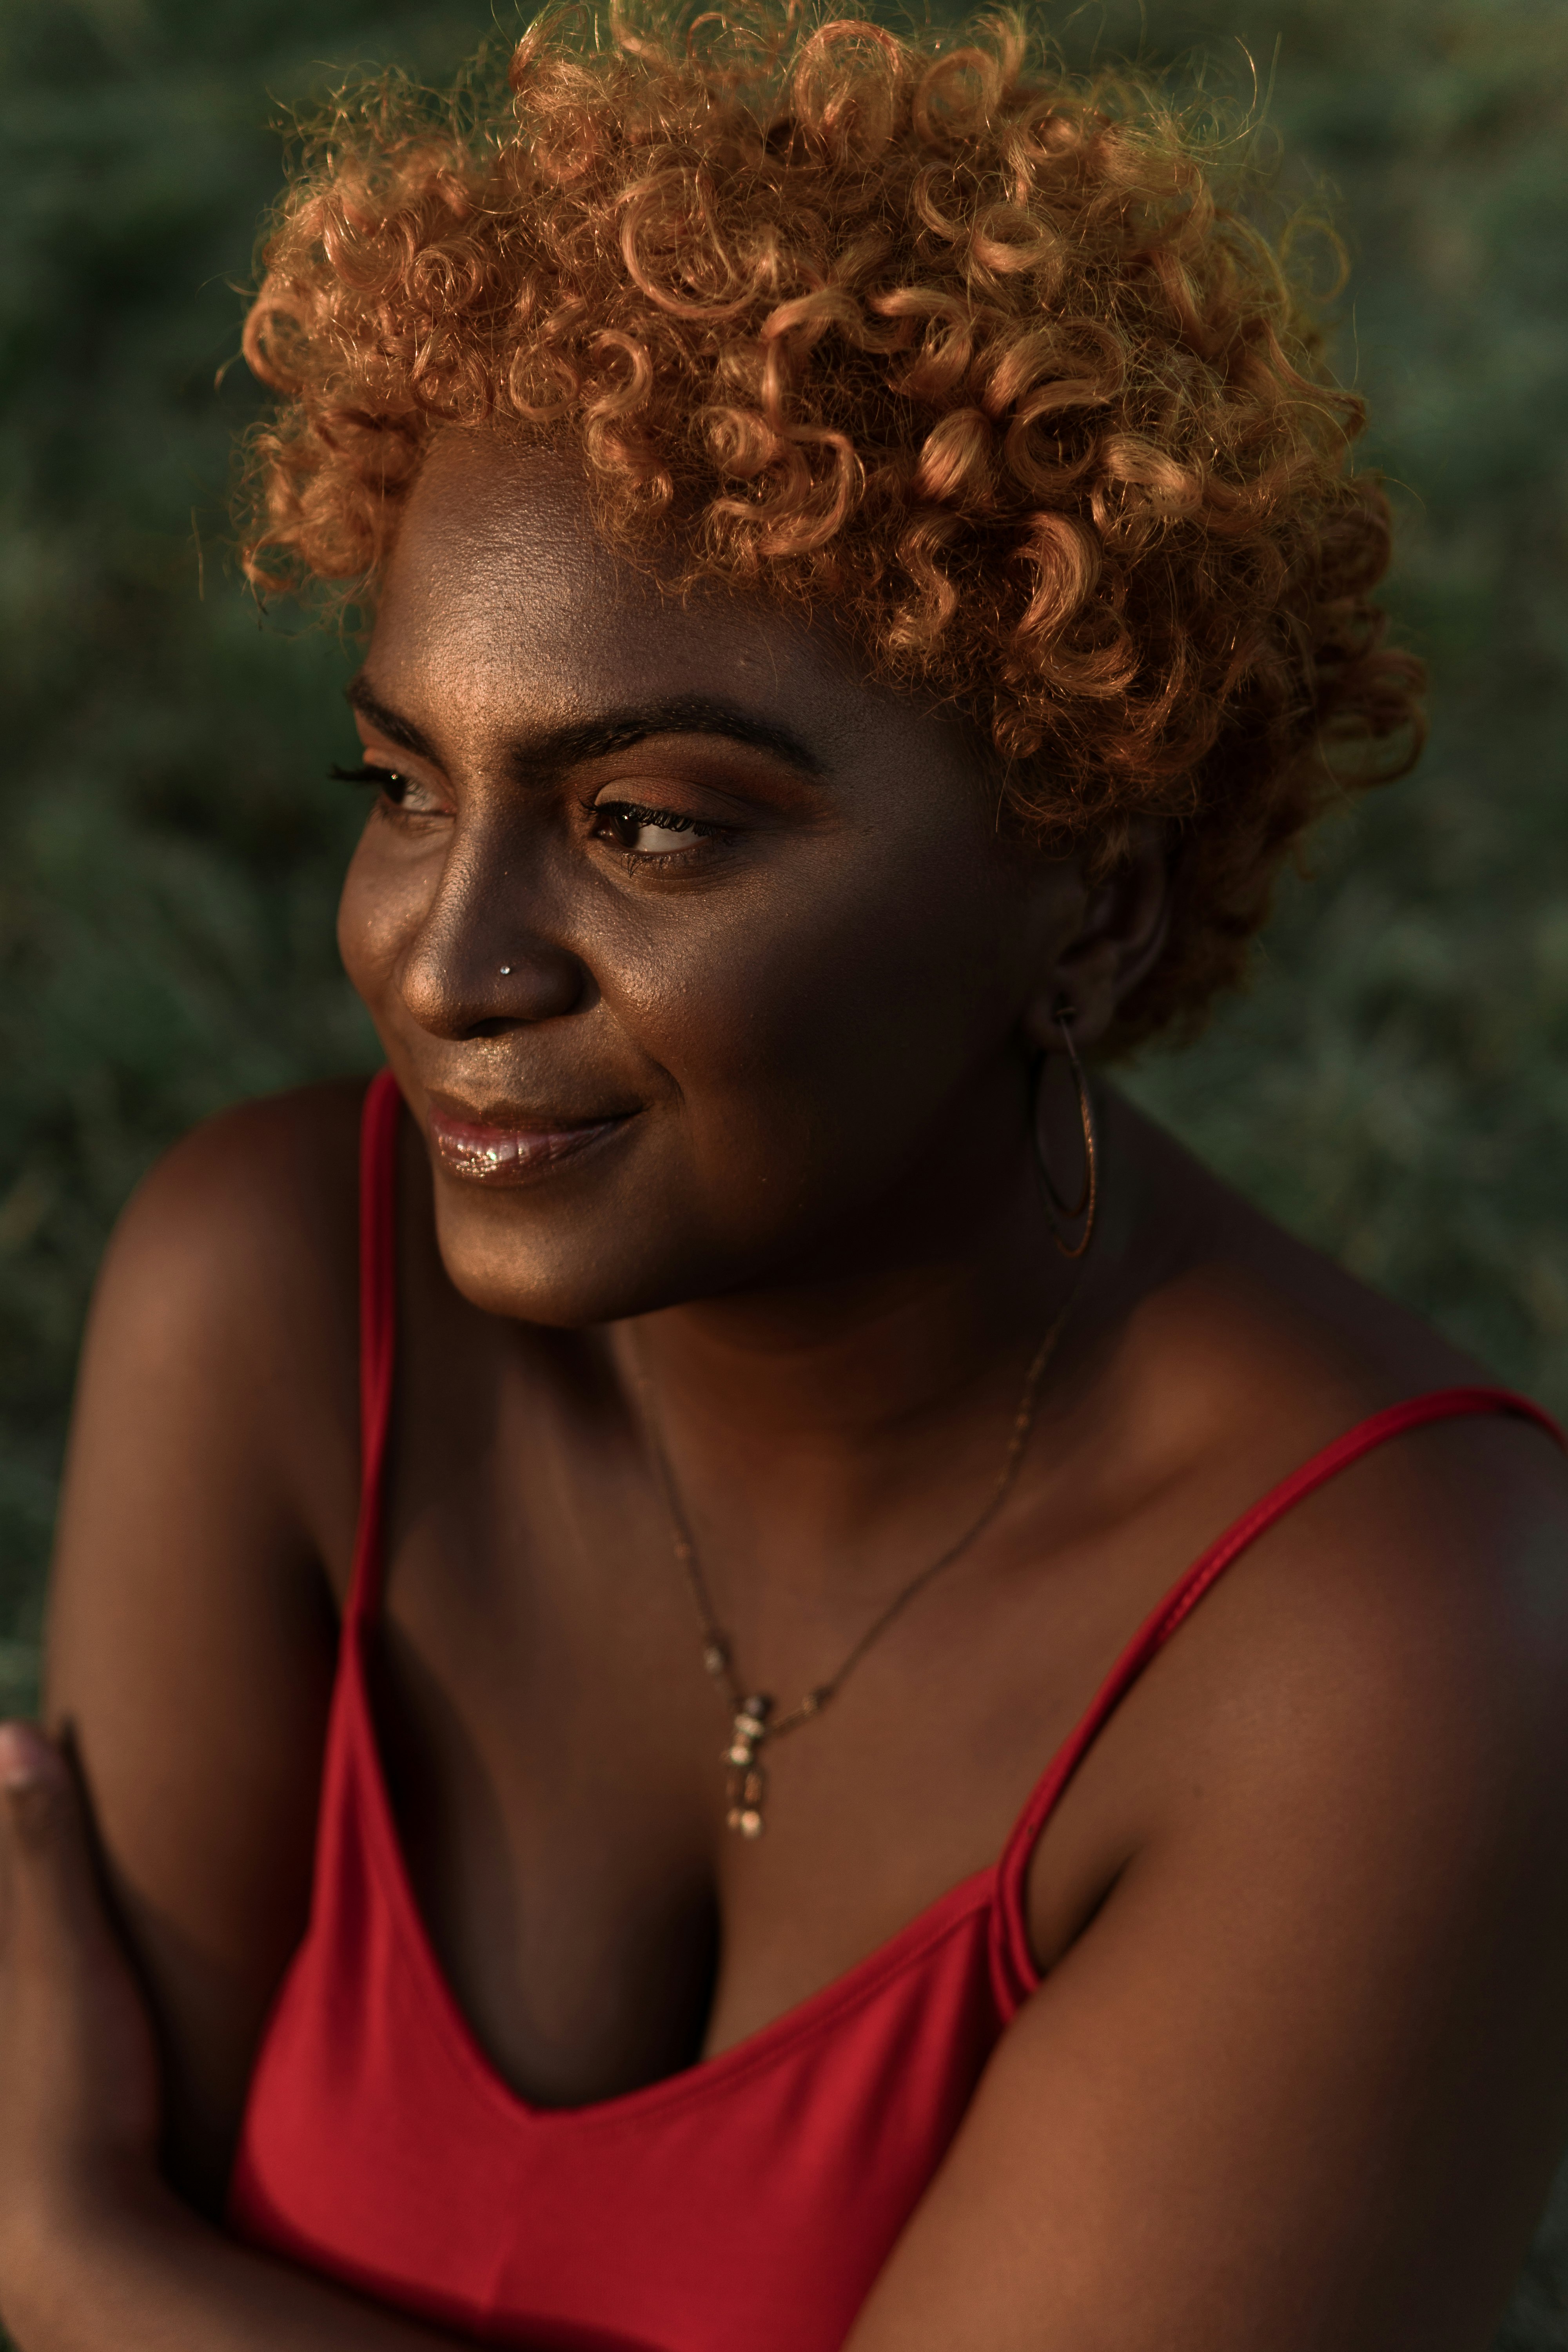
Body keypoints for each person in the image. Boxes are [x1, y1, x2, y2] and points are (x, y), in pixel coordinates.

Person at [2, 7, 1567, 2347]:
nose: (444, 962)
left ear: (1098, 908)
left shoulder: (1398, 1643)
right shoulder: (265, 1309)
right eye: (403, 786)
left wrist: (74, 2257)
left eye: (648, 826)